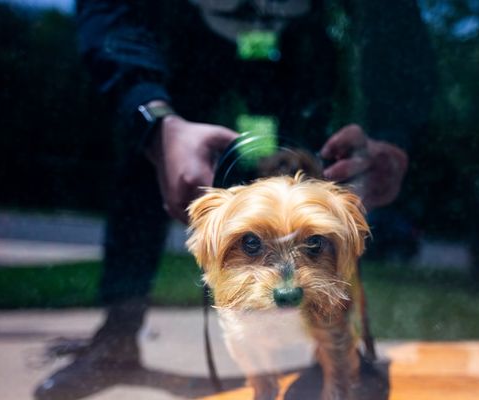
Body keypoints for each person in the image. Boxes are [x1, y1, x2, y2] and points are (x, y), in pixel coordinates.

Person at [35, 1, 434, 398]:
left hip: (299, 45)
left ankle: (333, 344)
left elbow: (392, 19)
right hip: (185, 41)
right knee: (151, 167)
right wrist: (154, 120)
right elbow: (112, 14)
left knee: (325, 175)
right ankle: (117, 337)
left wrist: (390, 133)